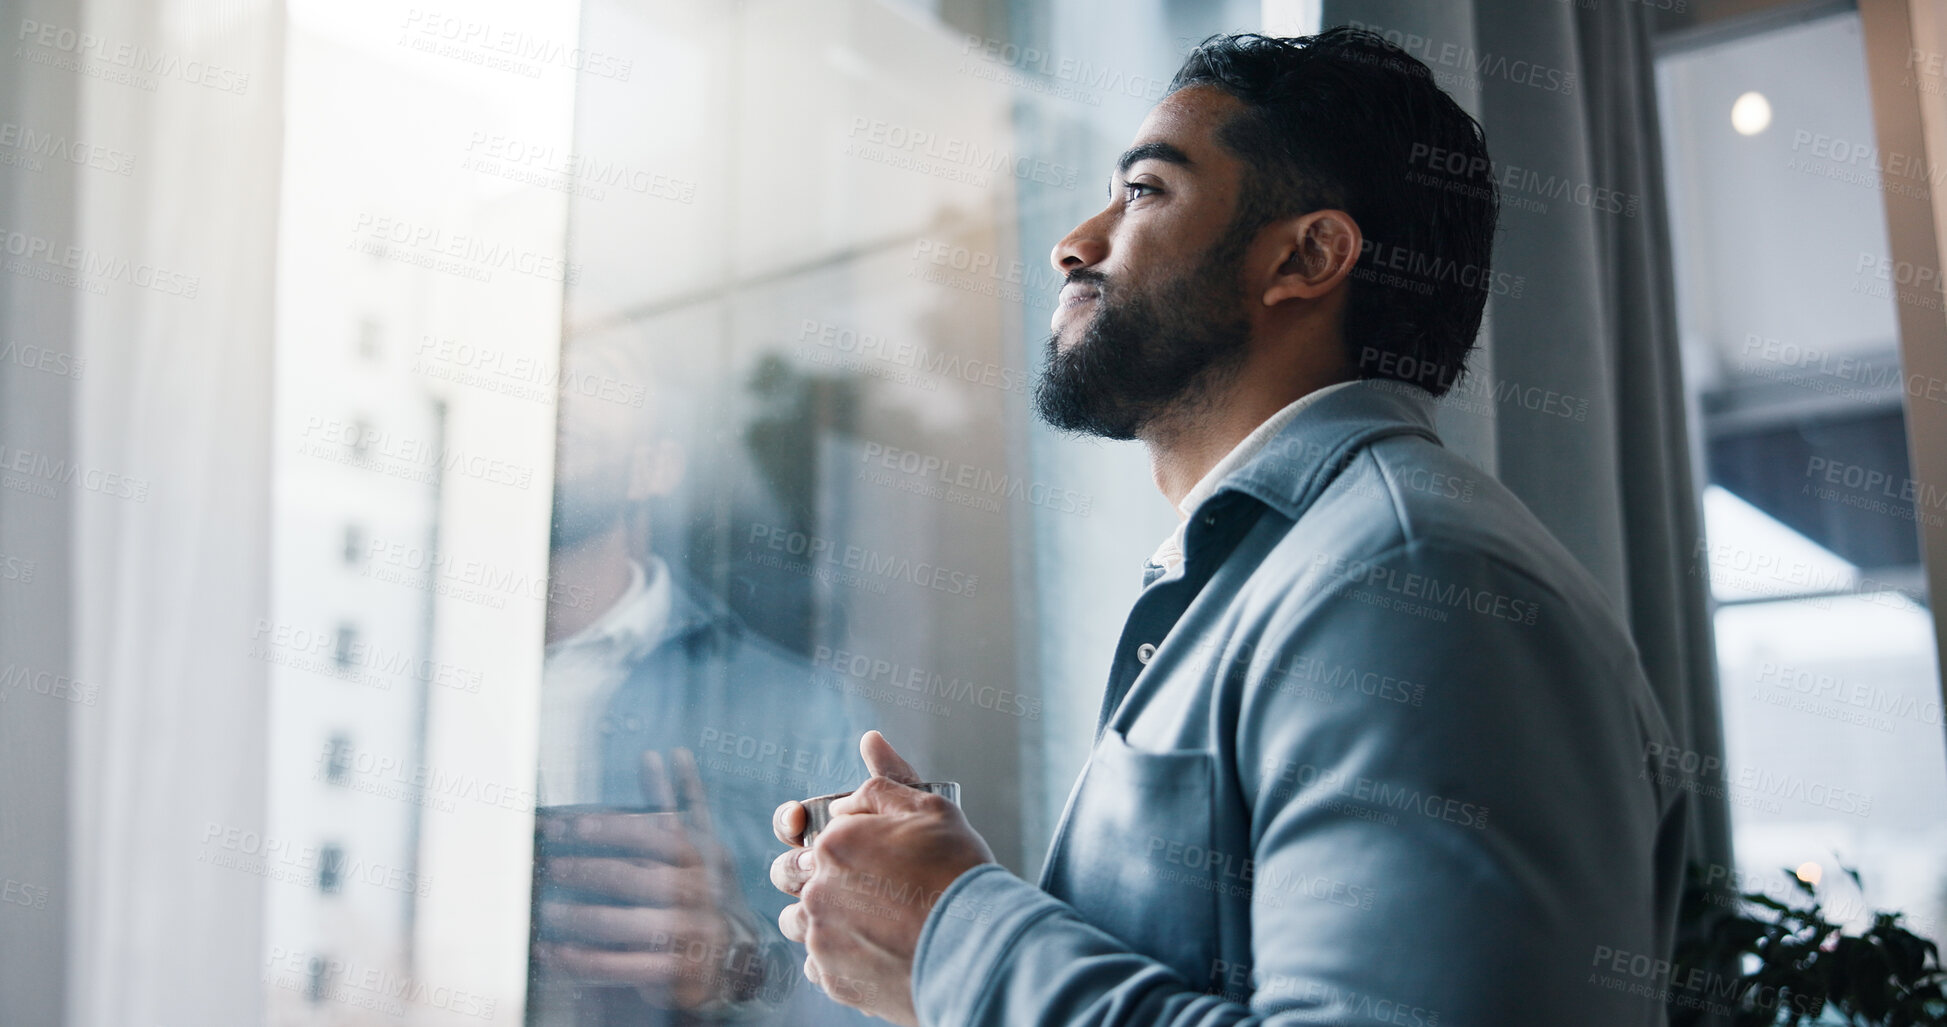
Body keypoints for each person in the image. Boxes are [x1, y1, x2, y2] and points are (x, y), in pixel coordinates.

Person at [768, 29, 1688, 1027]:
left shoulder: (1415, 582)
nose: (1074, 241)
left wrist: (952, 931)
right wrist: (928, 923)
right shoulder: (1292, 569)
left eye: (1147, 192)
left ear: (1307, 255)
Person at [529, 342, 872, 1025]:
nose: (554, 382)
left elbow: (868, 996)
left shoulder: (799, 712)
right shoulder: (401, 662)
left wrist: (737, 971)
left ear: (655, 466)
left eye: (594, 369)